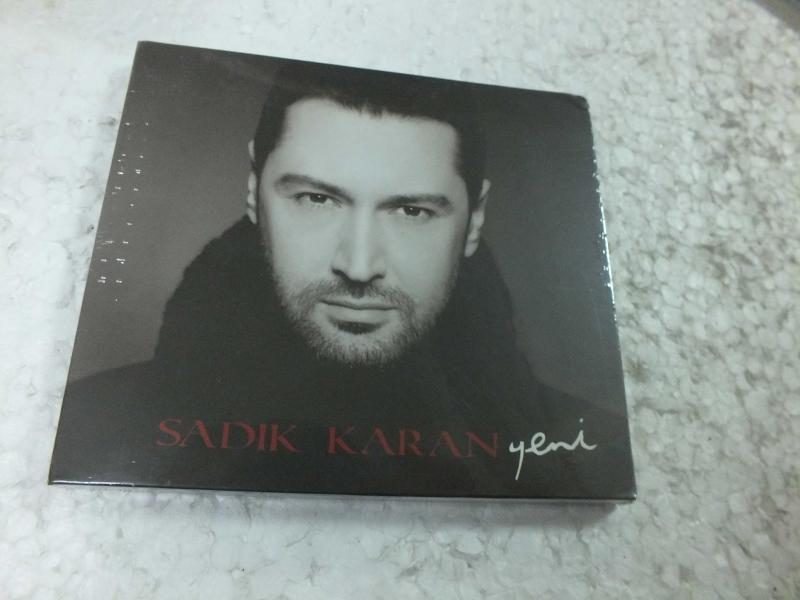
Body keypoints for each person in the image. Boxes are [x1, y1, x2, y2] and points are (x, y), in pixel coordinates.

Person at [51, 61, 634, 499]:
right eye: (316, 199)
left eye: (411, 211)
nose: (358, 266)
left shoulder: (585, 453)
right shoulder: (90, 425)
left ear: (474, 219)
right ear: (254, 189)